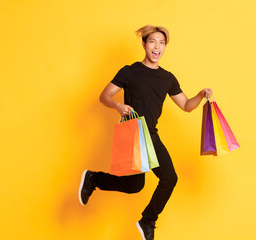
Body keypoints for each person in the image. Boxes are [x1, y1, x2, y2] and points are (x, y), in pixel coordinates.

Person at [78, 25, 211, 240]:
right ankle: (100, 183)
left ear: (164, 47)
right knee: (148, 183)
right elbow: (104, 96)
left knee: (152, 182)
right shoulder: (129, 71)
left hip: (151, 133)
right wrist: (117, 106)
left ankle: (100, 183)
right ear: (144, 44)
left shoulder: (167, 78)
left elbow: (186, 105)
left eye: (161, 43)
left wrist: (200, 94)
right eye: (152, 42)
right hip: (133, 132)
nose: (157, 46)